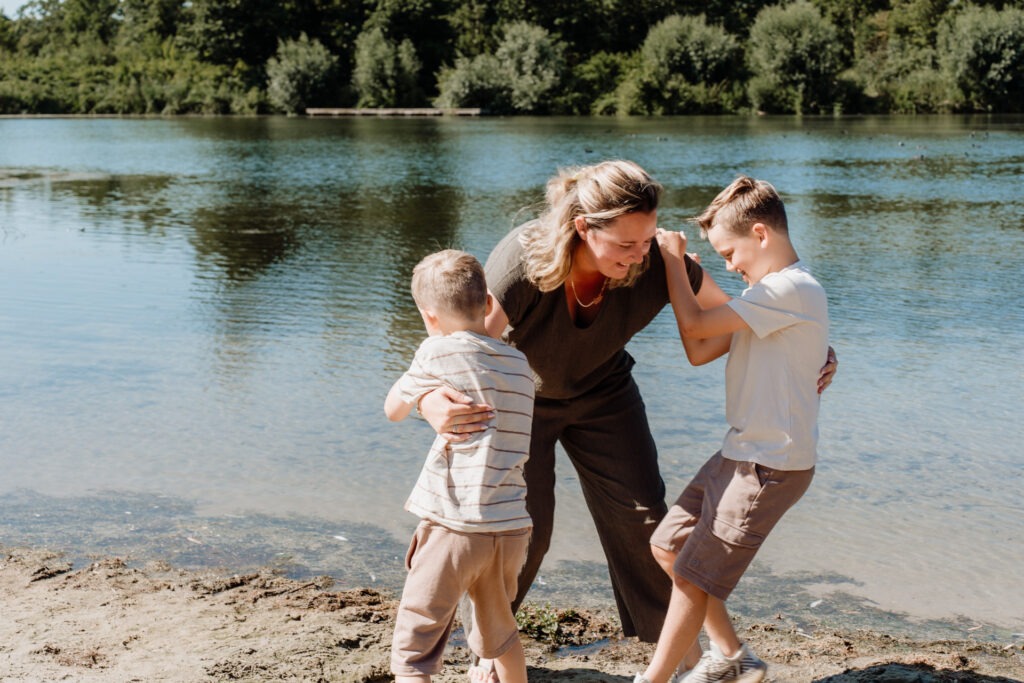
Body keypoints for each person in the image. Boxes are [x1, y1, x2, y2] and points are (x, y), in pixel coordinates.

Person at [416, 161, 838, 676]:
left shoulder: (657, 259)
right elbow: (462, 348)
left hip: (604, 394)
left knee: (645, 524)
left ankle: (682, 660)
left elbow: (745, 321)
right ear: (582, 229)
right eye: (624, 245)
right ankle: (492, 653)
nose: (639, 255)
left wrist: (812, 346)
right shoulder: (522, 259)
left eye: (645, 241)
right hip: (523, 400)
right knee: (526, 529)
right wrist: (429, 401)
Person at [634, 175, 830, 683]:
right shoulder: (764, 295)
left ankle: (654, 680)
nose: (728, 263)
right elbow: (700, 349)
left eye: (729, 251)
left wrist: (676, 264)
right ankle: (735, 658)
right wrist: (687, 276)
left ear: (760, 234)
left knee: (693, 580)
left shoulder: (792, 287)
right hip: (739, 452)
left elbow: (698, 326)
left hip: (770, 465)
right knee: (669, 546)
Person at [384, 249, 536, 683]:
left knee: (418, 635)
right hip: (509, 525)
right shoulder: (520, 363)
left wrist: (421, 386)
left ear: (430, 317)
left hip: (455, 525)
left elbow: (393, 409)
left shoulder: (436, 351)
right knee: (500, 633)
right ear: (488, 304)